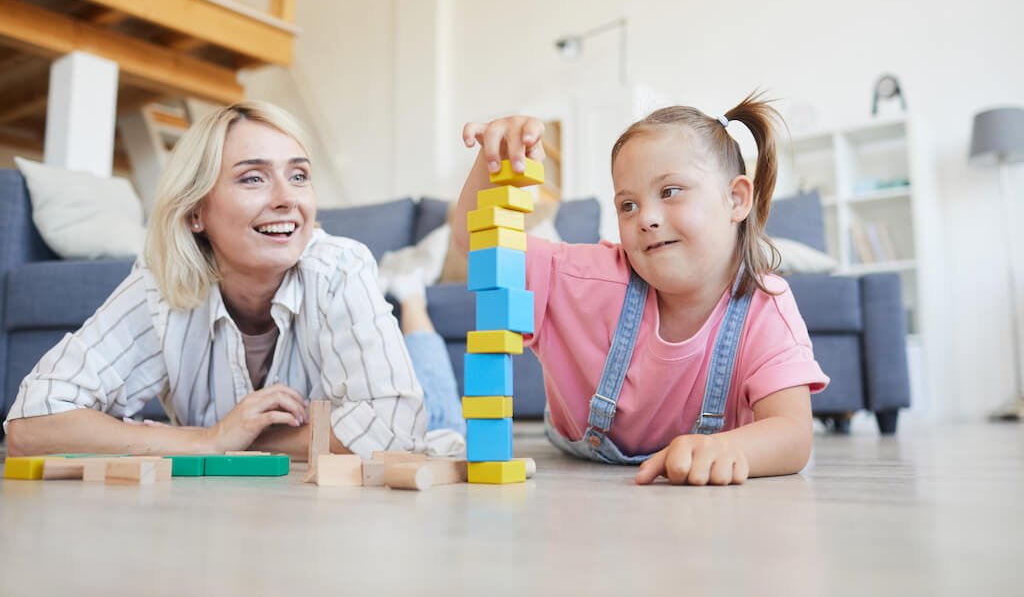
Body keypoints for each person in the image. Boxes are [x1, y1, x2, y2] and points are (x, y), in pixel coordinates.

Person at [4, 101, 463, 459]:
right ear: (195, 212)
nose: (287, 199)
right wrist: (207, 440)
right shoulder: (161, 284)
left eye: (298, 175)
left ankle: (411, 295)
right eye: (253, 179)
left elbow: (399, 428)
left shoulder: (341, 266)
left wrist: (235, 440)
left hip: (434, 426)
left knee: (441, 404)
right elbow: (30, 424)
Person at [453, 93, 829, 486]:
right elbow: (478, 246)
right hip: (578, 454)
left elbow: (793, 433)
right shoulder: (586, 278)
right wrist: (490, 162)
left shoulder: (766, 306)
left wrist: (729, 449)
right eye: (627, 205)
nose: (646, 218)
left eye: (670, 192)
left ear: (736, 199)